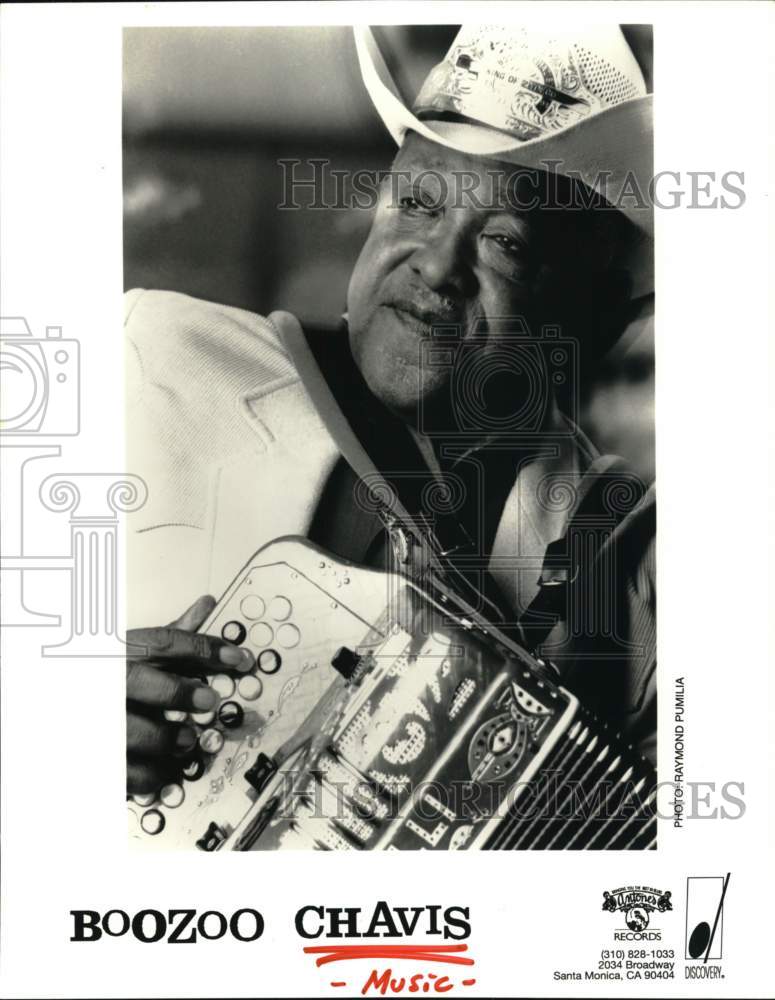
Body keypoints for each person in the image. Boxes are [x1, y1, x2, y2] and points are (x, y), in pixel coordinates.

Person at [124, 25, 656, 804]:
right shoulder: (151, 357)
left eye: (505, 243)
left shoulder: (626, 554)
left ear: (598, 316)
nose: (436, 268)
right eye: (417, 202)